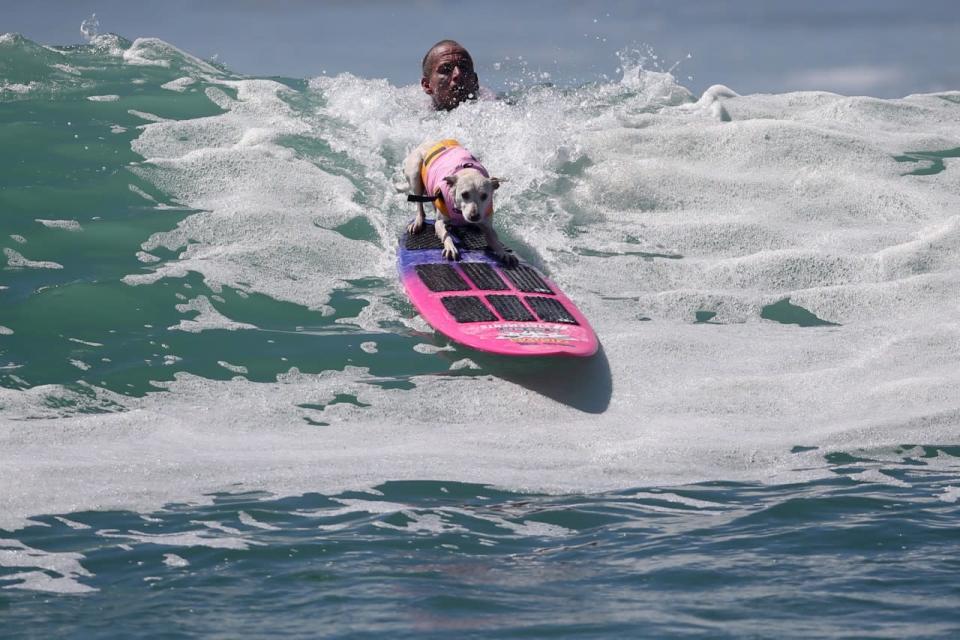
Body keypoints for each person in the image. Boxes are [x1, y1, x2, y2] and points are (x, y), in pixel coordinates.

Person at [421, 40, 480, 111]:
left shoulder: (494, 111)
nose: (458, 74)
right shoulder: (412, 120)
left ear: (475, 81)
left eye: (464, 67)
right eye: (446, 70)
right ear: (427, 85)